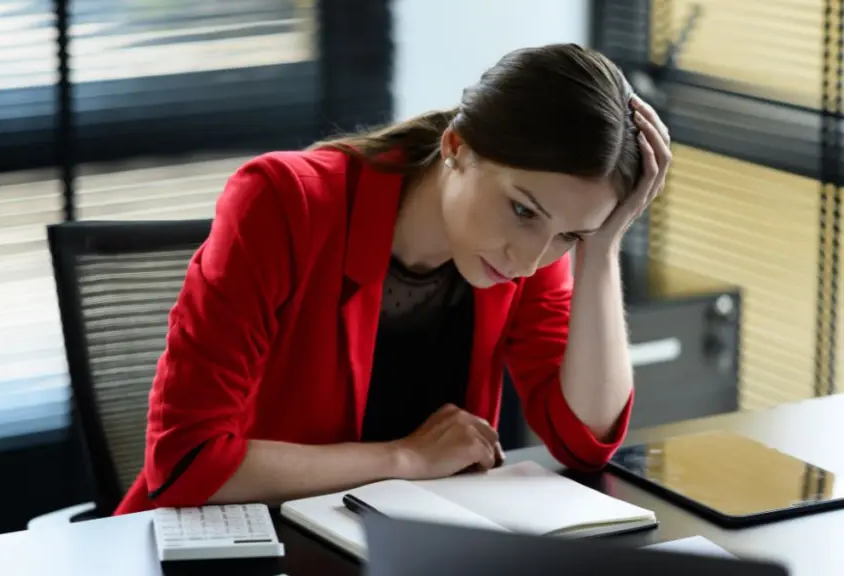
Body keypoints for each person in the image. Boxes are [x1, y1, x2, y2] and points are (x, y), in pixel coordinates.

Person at [114, 43, 671, 514]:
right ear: (456, 148)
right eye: (523, 210)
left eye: (569, 234)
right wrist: (405, 458)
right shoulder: (284, 203)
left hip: (394, 542)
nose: (529, 261)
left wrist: (601, 249)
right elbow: (185, 462)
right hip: (237, 543)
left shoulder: (533, 249)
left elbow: (584, 440)